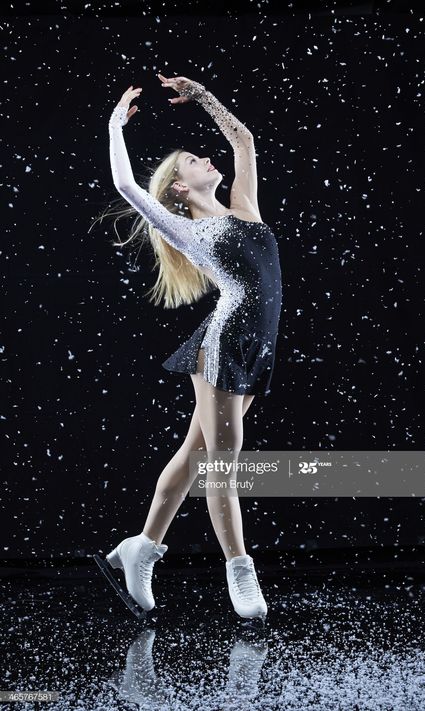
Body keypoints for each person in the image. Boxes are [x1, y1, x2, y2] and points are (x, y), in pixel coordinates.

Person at [94, 75, 282, 621]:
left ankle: (141, 547)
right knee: (224, 465)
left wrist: (202, 98)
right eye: (193, 161)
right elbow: (128, 187)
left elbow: (243, 140)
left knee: (195, 456)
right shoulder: (187, 231)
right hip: (223, 346)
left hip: (257, 348)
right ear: (179, 187)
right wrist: (114, 126)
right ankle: (240, 572)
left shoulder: (243, 209)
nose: (205, 159)